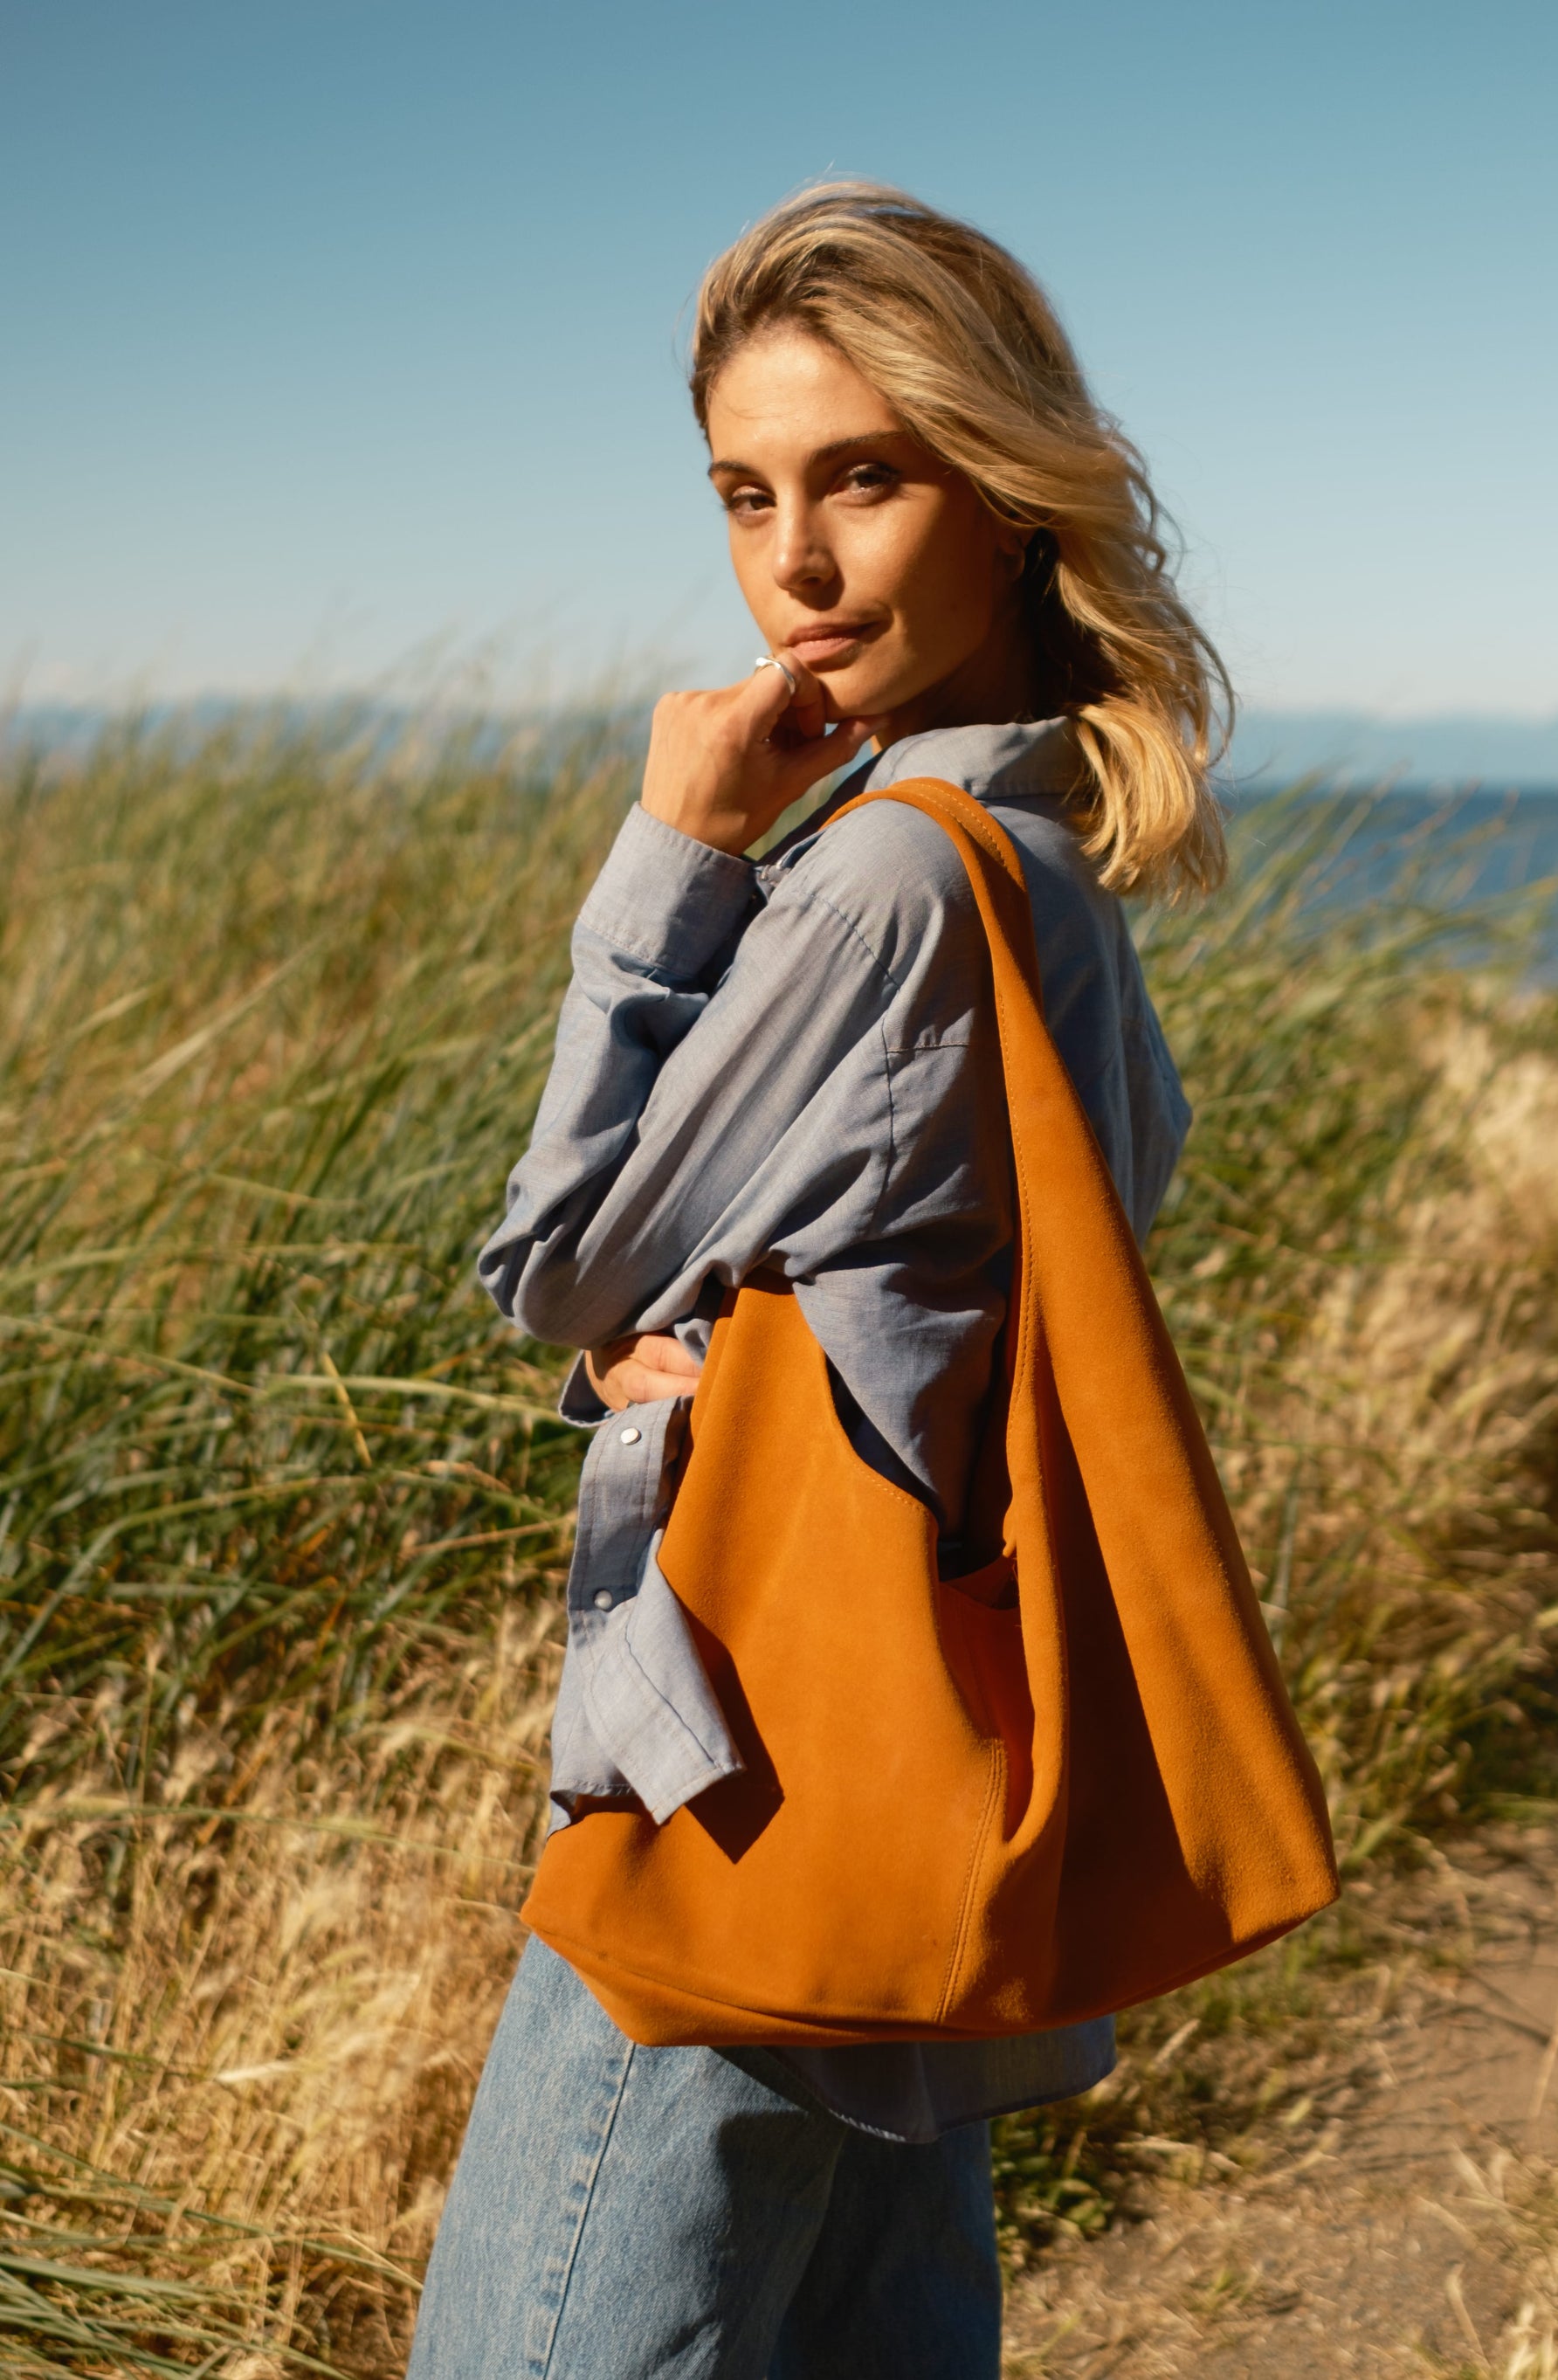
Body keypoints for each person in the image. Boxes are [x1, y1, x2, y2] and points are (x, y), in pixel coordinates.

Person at [407, 179, 1230, 2380]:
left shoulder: (876, 875)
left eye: (864, 476)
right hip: (921, 1754)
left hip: (743, 1773)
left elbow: (556, 1265)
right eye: (748, 492)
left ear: (1008, 491)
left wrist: (670, 854)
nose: (794, 561)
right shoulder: (1045, 864)